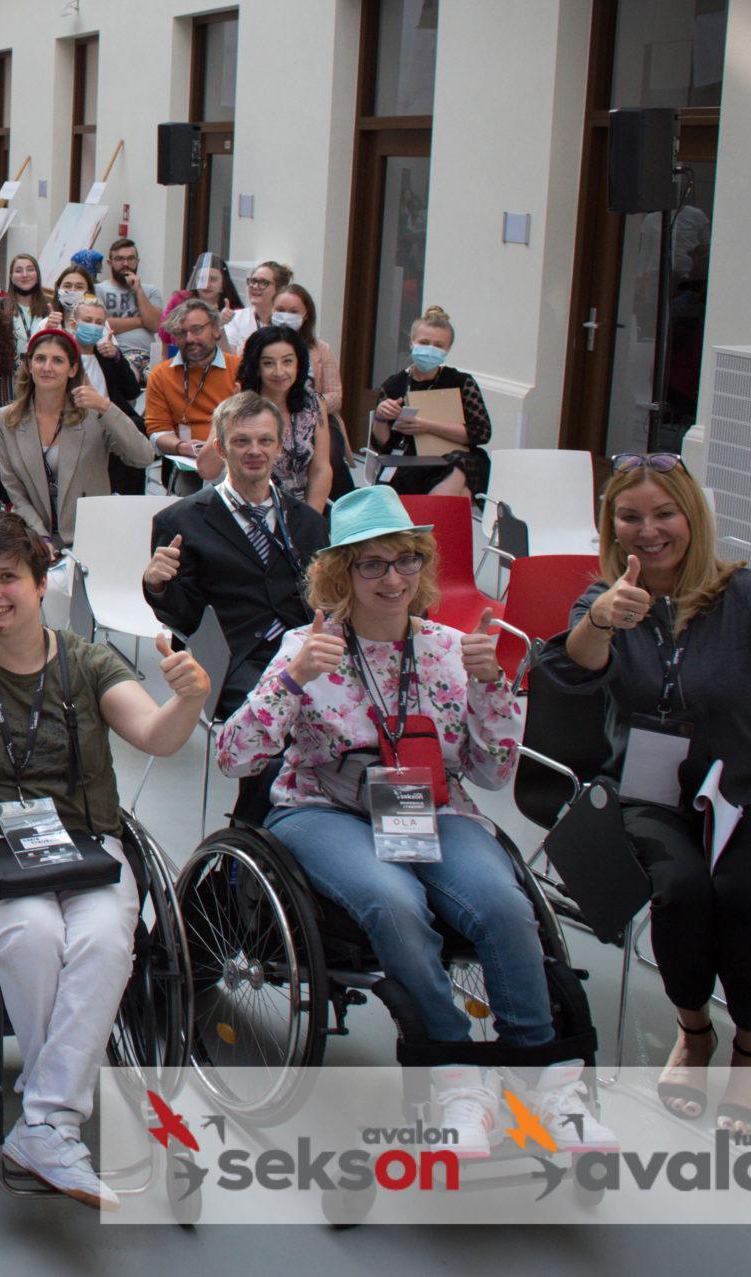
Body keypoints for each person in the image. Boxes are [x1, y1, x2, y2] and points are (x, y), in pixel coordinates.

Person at [220, 486, 608, 1153]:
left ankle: (547, 1074)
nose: (393, 578)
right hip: (322, 806)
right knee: (391, 899)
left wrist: (494, 690)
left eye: (404, 561)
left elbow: (490, 773)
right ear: (342, 573)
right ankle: (454, 1068)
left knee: (503, 903)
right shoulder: (305, 647)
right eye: (372, 564)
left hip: (432, 804)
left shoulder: (450, 650)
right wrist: (289, 682)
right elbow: (234, 755)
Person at [0, 510, 209, 1207]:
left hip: (83, 839)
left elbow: (152, 732)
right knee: (34, 934)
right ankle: (55, 1122)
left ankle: (45, 1119)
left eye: (8, 577)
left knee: (108, 938)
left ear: (43, 582)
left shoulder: (88, 662)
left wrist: (189, 700)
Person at [529, 457, 751, 1137]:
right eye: (630, 517)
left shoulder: (749, 595)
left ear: (692, 517)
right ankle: (693, 1031)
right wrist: (602, 618)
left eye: (663, 514)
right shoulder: (605, 596)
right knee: (681, 891)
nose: (647, 530)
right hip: (653, 793)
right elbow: (572, 667)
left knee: (741, 895)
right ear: (611, 526)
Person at [143, 391, 329, 723]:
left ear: (278, 446)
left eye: (265, 440)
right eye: (241, 441)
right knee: (277, 721)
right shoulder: (180, 523)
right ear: (221, 448)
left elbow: (326, 599)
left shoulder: (307, 521)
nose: (255, 451)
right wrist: (157, 586)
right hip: (234, 658)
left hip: (303, 649)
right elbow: (184, 621)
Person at [0, 326, 158, 555]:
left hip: (90, 535)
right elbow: (14, 488)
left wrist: (105, 406)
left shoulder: (94, 415)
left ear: (72, 369)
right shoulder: (7, 418)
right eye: (40, 359)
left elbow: (143, 457)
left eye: (58, 361)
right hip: (33, 533)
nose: (47, 367)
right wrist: (40, 536)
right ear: (29, 365)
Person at [369, 306, 490, 498]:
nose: (430, 349)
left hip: (455, 455)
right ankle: (437, 522)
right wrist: (381, 417)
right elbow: (383, 445)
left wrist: (425, 426)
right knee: (463, 494)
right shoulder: (395, 384)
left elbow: (481, 433)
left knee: (459, 463)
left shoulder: (461, 382)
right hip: (411, 460)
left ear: (448, 350)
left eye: (438, 345)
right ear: (411, 342)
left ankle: (431, 518)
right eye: (424, 342)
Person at [236, 325, 334, 512]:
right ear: (256, 367)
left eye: (287, 362)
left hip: (301, 509)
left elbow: (321, 469)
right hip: (248, 509)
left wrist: (311, 518)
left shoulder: (313, 403)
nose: (279, 371)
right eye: (268, 363)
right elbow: (208, 469)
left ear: (299, 364)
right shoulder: (240, 404)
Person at [143, 299, 239, 464]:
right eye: (181, 333)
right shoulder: (161, 374)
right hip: (184, 460)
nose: (189, 339)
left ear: (216, 330)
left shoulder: (238, 369)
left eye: (197, 330)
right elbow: (157, 430)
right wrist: (182, 447)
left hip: (232, 458)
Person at [96, 238, 159, 376]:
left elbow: (155, 325)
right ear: (109, 263)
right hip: (116, 354)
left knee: (158, 380)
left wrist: (139, 290)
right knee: (129, 377)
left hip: (149, 356)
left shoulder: (150, 291)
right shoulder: (98, 289)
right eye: (119, 259)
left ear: (137, 261)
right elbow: (103, 324)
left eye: (131, 258)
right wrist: (141, 321)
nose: (125, 264)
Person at [278, 282, 343, 415]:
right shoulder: (254, 344)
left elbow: (335, 396)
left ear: (306, 314)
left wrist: (305, 406)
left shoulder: (322, 349)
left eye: (293, 311)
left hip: (311, 422)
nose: (286, 316)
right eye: (280, 310)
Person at [222, 259, 294, 354]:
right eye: (253, 281)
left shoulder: (287, 320)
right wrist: (220, 326)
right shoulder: (236, 317)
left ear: (279, 289)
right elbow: (228, 359)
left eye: (263, 283)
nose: (254, 286)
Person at [0, 253, 49, 347]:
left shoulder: (49, 309)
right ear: (11, 278)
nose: (25, 275)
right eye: (18, 271)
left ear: (37, 276)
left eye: (30, 270)